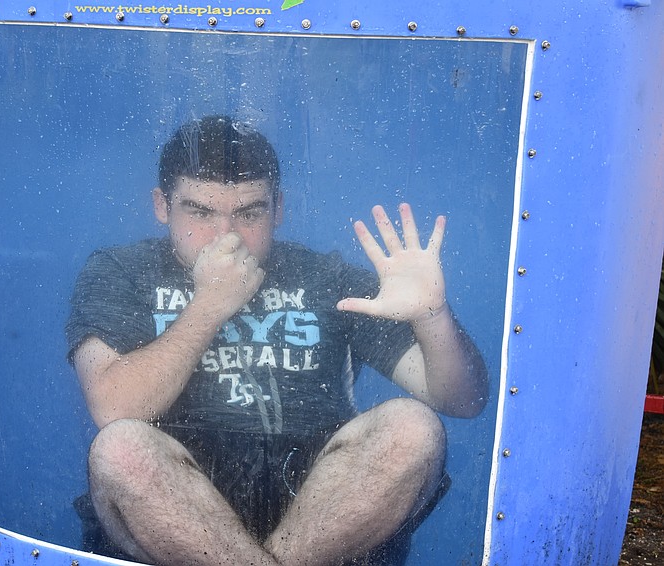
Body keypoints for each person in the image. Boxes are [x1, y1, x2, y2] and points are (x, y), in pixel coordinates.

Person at [66, 115, 488, 566]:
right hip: (180, 503)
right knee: (121, 451)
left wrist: (433, 317)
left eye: (249, 213)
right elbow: (114, 407)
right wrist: (210, 304)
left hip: (322, 503)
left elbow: (461, 399)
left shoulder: (326, 277)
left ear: (278, 209)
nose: (225, 235)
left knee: (414, 427)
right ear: (161, 206)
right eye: (200, 211)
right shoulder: (121, 271)